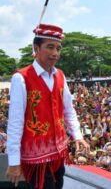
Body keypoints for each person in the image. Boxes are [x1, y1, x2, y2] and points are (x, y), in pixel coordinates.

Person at [6, 24, 90, 189]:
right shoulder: (21, 78)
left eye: (58, 48)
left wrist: (77, 135)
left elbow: (68, 110)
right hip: (36, 158)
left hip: (59, 153)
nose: (55, 53)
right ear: (36, 48)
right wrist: (14, 161)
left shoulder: (60, 75)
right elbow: (15, 122)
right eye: (50, 47)